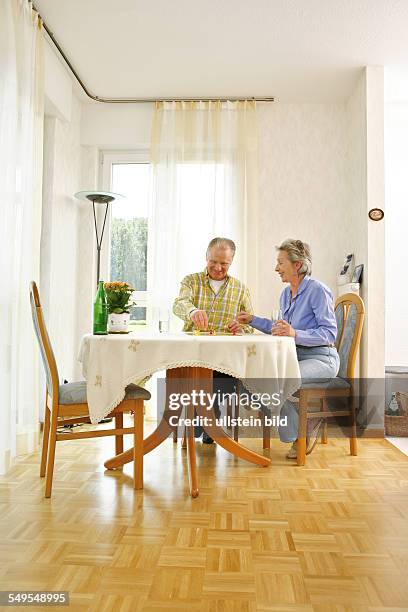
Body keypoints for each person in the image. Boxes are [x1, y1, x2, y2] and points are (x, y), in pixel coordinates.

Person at [235, 239, 339, 459]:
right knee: (251, 379)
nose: (276, 268)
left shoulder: (317, 291)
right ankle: (305, 424)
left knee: (276, 380)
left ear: (298, 265)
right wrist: (252, 320)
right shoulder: (285, 294)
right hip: (294, 356)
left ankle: (302, 431)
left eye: (280, 262)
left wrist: (296, 334)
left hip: (322, 359)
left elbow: (330, 334)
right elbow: (279, 329)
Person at [173, 237, 254, 442]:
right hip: (194, 352)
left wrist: (242, 326)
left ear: (231, 262)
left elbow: (250, 323)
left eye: (224, 263)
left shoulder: (240, 289)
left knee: (222, 374)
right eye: (213, 261)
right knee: (195, 375)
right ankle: (207, 423)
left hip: (225, 356)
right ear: (206, 257)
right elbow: (179, 304)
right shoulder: (191, 281)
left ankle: (208, 421)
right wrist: (192, 312)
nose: (218, 267)